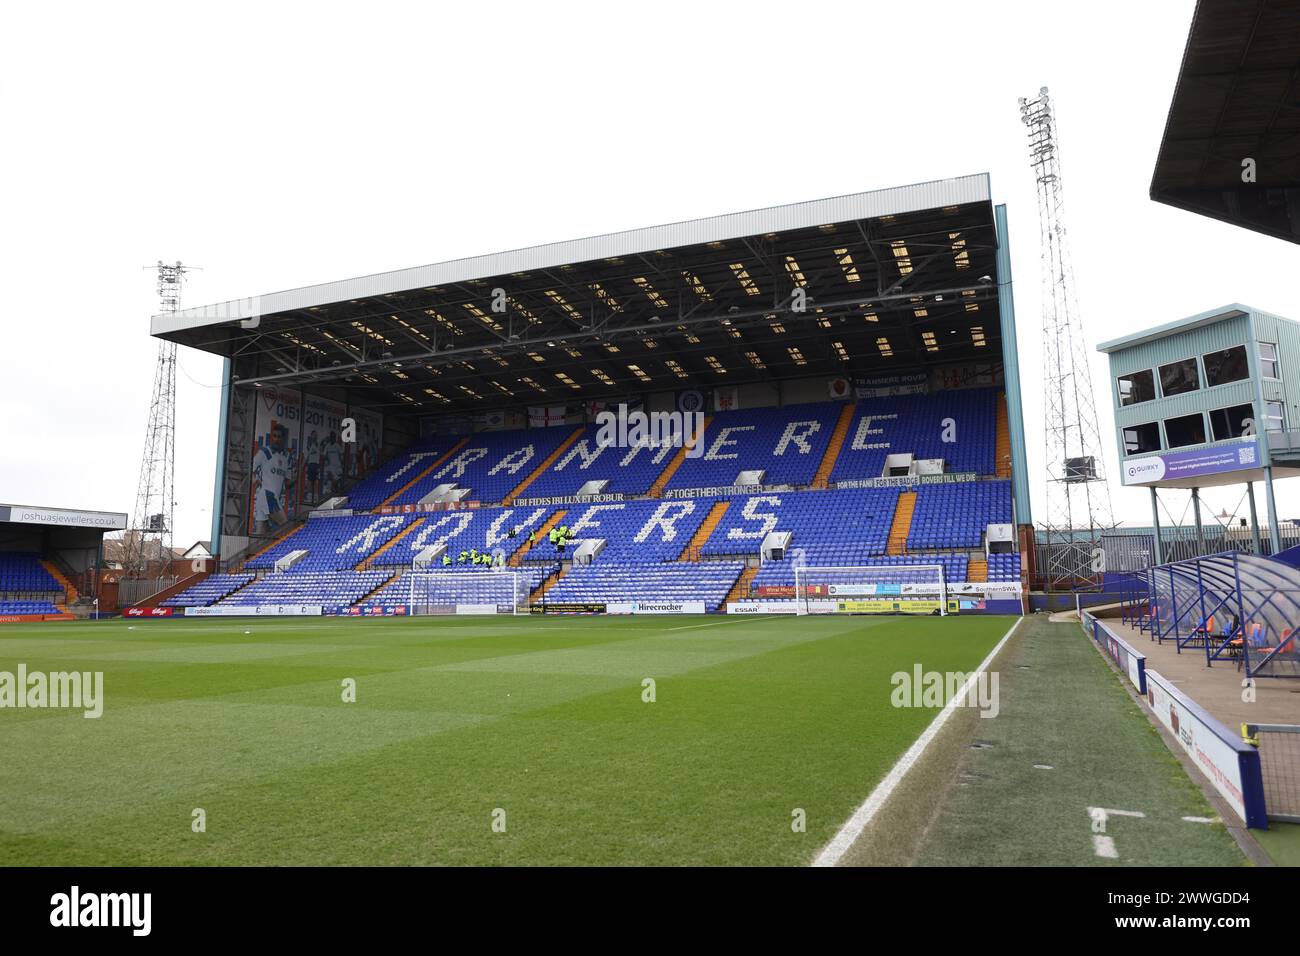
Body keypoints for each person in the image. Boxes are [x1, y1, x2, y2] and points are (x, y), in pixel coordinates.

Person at [253, 422, 291, 535]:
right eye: (274, 436)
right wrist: (255, 479)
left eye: (279, 436)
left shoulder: (286, 457)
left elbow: (288, 483)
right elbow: (251, 466)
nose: (276, 439)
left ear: (283, 438)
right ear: (271, 437)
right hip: (267, 496)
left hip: (272, 499)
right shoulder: (265, 452)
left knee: (261, 539)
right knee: (286, 527)